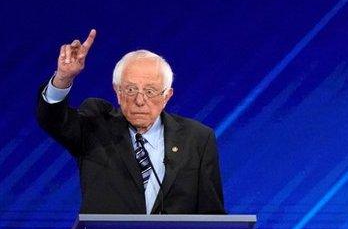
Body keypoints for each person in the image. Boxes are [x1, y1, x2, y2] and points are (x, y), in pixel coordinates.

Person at [36, 29, 225, 214]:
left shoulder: (197, 138)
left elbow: (212, 215)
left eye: (150, 92)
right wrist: (63, 77)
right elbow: (53, 120)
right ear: (117, 92)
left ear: (167, 96)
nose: (140, 100)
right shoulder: (96, 125)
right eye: (131, 90)